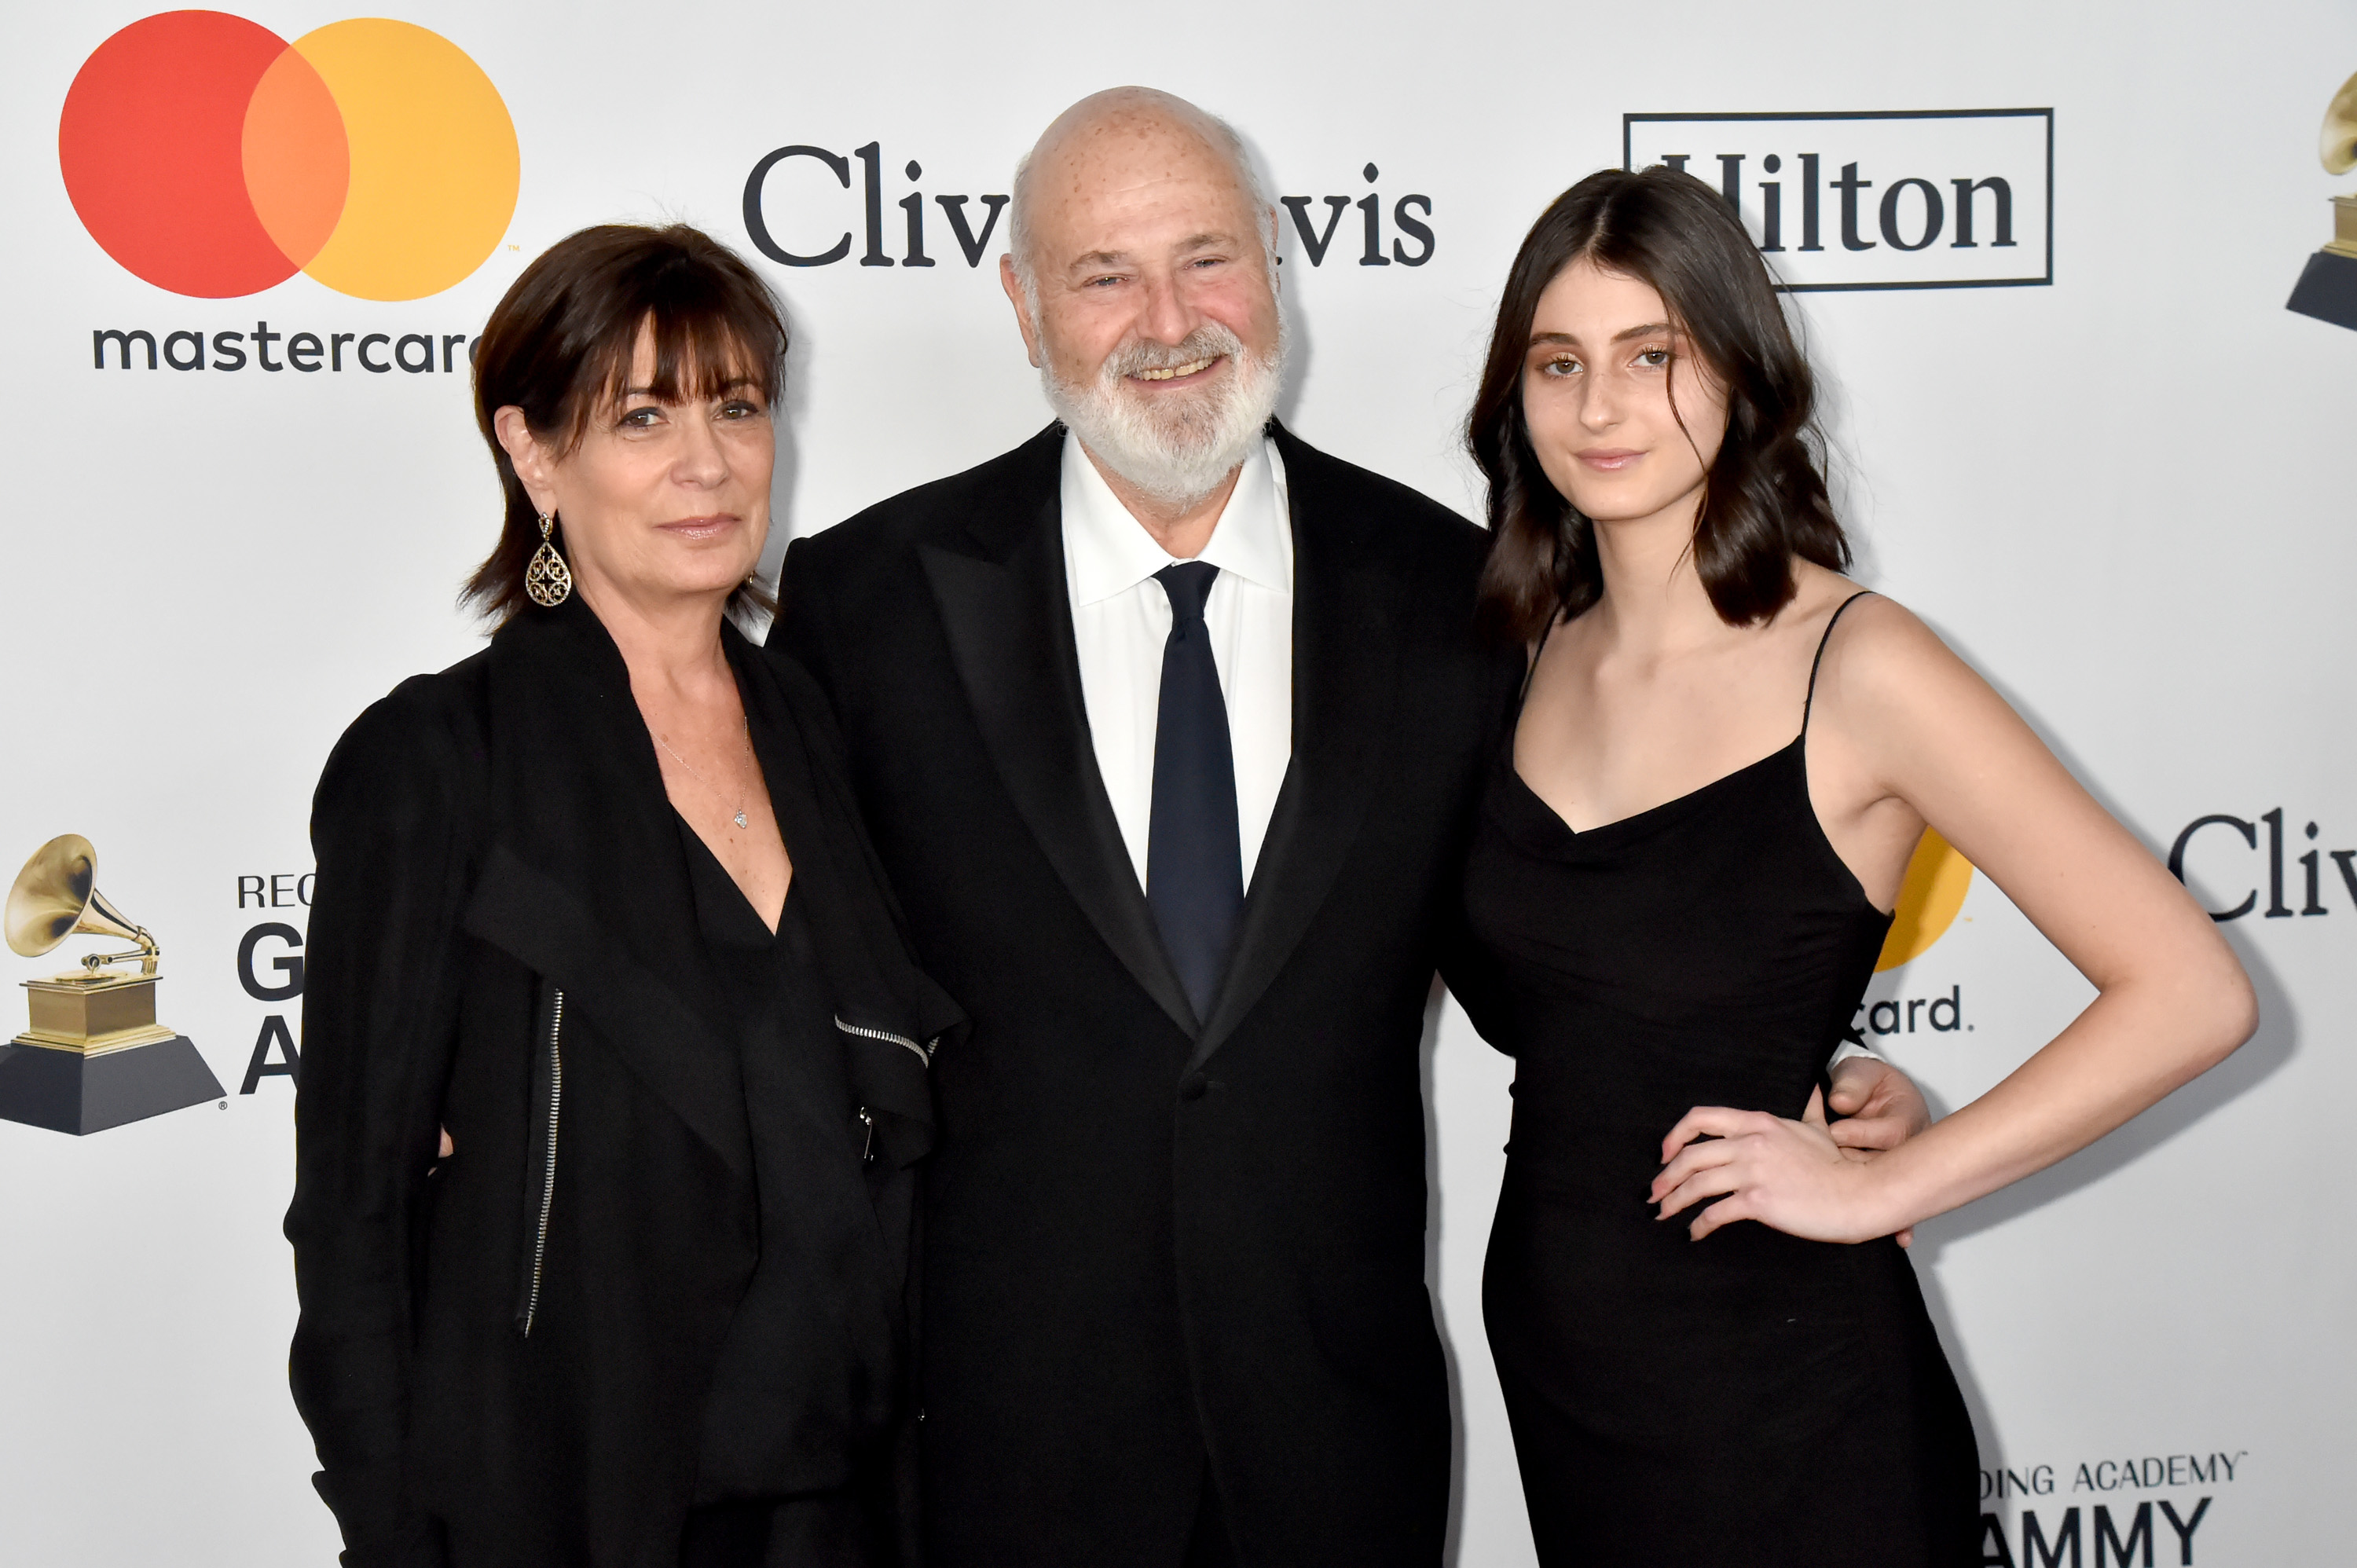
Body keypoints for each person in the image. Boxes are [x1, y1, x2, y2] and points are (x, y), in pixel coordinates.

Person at [768, 90, 1932, 1568]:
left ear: (1275, 259)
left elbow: (1545, 958)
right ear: (1022, 304)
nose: (1169, 319)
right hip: (1000, 1440)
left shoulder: (1457, 596)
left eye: (1206, 257)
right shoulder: (869, 602)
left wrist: (1800, 1077)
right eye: (1104, 274)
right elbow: (792, 993)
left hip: (1333, 1435)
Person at [1457, 166, 2258, 1566]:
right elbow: (1595, 1009)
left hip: (1795, 1404)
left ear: (1743, 370)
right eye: (1559, 363)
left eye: (1655, 357)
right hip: (1570, 1378)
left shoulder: (1862, 666)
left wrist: (1897, 1182)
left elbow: (2192, 990)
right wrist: (1819, 1071)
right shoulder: (1526, 651)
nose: (1599, 408)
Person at [286, 223, 961, 1568]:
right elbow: (354, 1207)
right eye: (640, 417)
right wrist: (390, 1529)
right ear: (535, 454)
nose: (706, 464)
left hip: (848, 1495)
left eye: (737, 406)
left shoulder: (825, 736)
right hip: (564, 1490)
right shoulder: (439, 761)